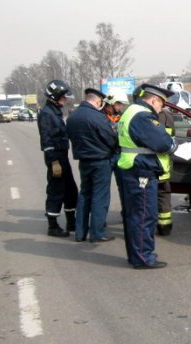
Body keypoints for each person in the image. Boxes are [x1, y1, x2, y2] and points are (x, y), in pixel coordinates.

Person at [117, 84, 177, 269]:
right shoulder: (143, 116)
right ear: (154, 100)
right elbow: (163, 143)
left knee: (134, 215)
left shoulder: (130, 111)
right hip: (141, 171)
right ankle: (143, 257)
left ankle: (136, 254)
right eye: (161, 104)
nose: (161, 109)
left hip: (132, 169)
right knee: (144, 215)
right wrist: (173, 144)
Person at [66, 88, 118, 243]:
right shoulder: (97, 116)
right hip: (101, 160)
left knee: (84, 195)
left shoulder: (73, 116)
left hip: (84, 161)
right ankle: (97, 232)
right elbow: (110, 138)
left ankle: (80, 232)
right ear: (97, 101)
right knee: (100, 197)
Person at [37, 80, 79, 236]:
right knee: (56, 190)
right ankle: (53, 226)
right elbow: (46, 139)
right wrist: (53, 161)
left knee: (71, 190)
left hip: (62, 156)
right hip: (55, 158)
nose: (65, 99)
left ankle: (71, 222)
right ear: (55, 96)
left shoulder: (55, 111)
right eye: (63, 97)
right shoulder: (47, 114)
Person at [156, 106, 176, 236]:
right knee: (163, 196)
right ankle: (165, 227)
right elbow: (169, 142)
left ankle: (141, 228)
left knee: (144, 199)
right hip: (163, 167)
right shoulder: (167, 116)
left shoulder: (141, 116)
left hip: (147, 167)